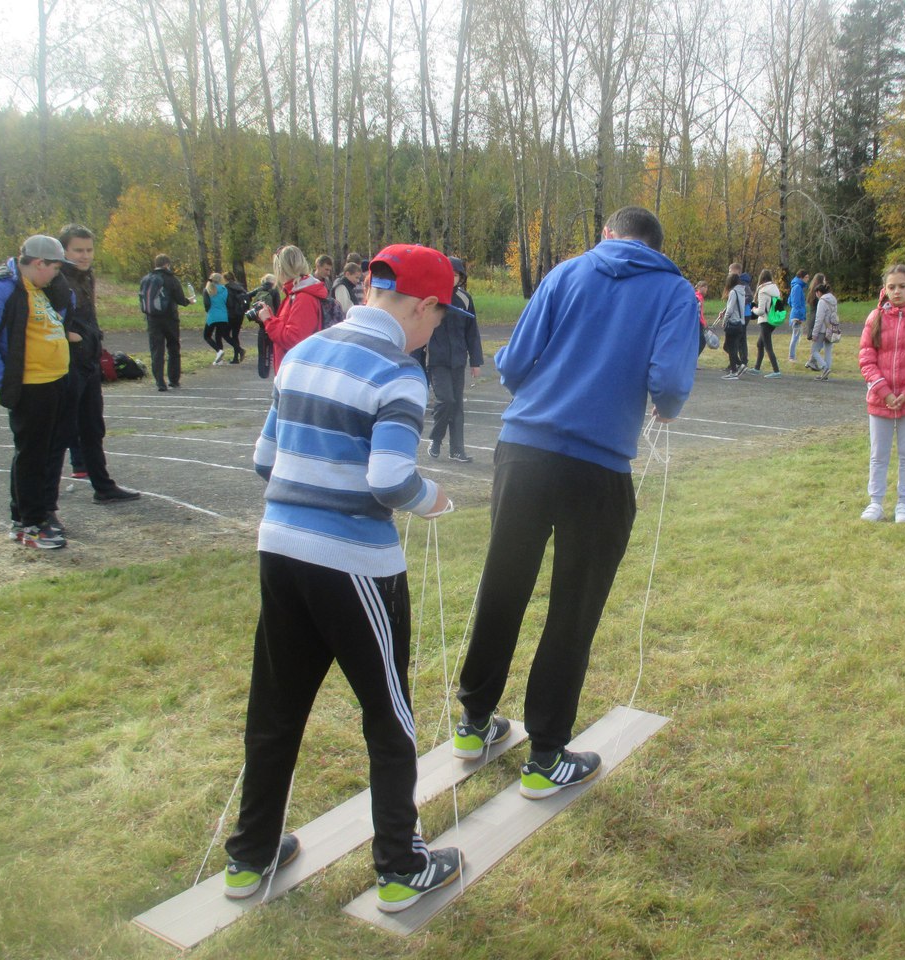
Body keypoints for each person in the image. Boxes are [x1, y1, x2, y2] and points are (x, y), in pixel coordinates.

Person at [223, 243, 462, 913]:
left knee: (275, 708)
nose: (433, 333)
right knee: (389, 716)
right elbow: (389, 480)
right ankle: (401, 866)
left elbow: (265, 460)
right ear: (421, 305)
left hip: (281, 551)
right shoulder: (399, 373)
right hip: (355, 564)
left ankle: (250, 855)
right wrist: (432, 497)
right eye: (438, 320)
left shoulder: (302, 353)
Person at [452, 206, 697, 801]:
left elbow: (513, 362)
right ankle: (544, 755)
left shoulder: (567, 273)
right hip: (599, 467)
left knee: (503, 583)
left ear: (608, 235)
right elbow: (667, 384)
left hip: (524, 451)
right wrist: (664, 402)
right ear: (655, 244)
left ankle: (473, 723)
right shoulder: (674, 292)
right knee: (573, 607)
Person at [0, 235, 73, 549]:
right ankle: (31, 525)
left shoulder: (39, 288)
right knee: (32, 457)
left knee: (39, 453)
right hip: (31, 387)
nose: (56, 274)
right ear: (38, 263)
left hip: (52, 382)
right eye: (54, 267)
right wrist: (6, 381)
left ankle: (27, 519)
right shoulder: (4, 288)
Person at [49, 224, 140, 509]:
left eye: (89, 250)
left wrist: (96, 345)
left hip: (88, 360)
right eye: (78, 250)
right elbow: (43, 320)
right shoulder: (54, 278)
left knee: (93, 426)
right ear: (64, 251)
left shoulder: (86, 276)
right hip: (65, 363)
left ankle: (102, 485)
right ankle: (45, 502)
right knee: (60, 431)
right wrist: (67, 335)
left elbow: (90, 316)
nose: (85, 255)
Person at [857, 265, 905, 523]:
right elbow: (866, 357)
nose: (897, 291)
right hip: (880, 398)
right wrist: (883, 390)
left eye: (902, 286)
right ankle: (876, 502)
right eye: (892, 287)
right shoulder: (875, 318)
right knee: (878, 454)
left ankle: (903, 503)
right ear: (885, 288)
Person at [426, 256, 483, 463]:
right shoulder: (432, 298)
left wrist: (475, 361)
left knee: (457, 405)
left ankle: (457, 449)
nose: (453, 278)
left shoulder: (465, 299)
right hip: (437, 359)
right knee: (446, 400)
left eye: (456, 275)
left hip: (458, 360)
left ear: (461, 277)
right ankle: (435, 439)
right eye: (449, 274)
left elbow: (472, 332)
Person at [262, 246, 326, 370]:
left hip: (295, 374)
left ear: (281, 268)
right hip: (291, 372)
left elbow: (294, 339)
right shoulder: (297, 293)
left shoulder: (303, 297)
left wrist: (269, 321)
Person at [140, 253, 191, 392]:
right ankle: (173, 379)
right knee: (173, 348)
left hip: (152, 319)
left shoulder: (146, 279)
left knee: (157, 350)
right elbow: (180, 299)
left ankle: (159, 382)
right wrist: (188, 301)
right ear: (167, 264)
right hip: (170, 318)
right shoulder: (171, 279)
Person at [751, 269, 783, 377]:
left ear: (762, 279)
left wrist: (753, 310)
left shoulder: (763, 290)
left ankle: (776, 370)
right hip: (773, 320)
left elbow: (761, 311)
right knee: (760, 344)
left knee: (768, 346)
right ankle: (757, 367)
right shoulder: (775, 289)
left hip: (765, 320)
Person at [202, 272, 234, 364]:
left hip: (212, 316)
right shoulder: (225, 289)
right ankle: (219, 360)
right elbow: (229, 303)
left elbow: (207, 304)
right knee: (218, 336)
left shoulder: (207, 290)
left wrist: (208, 311)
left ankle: (218, 351)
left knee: (206, 336)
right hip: (223, 316)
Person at [720, 273, 748, 379]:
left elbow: (730, 309)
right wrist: (724, 311)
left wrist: (724, 320)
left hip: (733, 322)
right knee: (731, 346)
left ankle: (734, 370)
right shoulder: (741, 291)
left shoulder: (733, 292)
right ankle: (739, 366)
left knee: (729, 347)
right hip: (740, 322)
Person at [809, 280, 838, 380]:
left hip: (822, 329)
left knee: (814, 351)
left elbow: (819, 319)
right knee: (828, 351)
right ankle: (825, 373)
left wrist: (814, 333)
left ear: (819, 292)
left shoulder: (822, 301)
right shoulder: (833, 300)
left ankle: (824, 367)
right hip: (832, 329)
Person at [223, 271, 249, 364]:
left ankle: (240, 350)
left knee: (225, 334)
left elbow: (228, 302)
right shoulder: (240, 287)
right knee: (235, 335)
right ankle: (235, 358)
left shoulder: (226, 288)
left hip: (231, 314)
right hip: (240, 314)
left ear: (225, 279)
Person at [787, 269, 809, 361]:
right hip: (796, 316)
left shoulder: (797, 287)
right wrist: (798, 316)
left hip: (797, 315)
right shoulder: (797, 287)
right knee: (795, 336)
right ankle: (791, 356)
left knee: (796, 336)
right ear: (801, 277)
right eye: (806, 277)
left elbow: (789, 301)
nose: (808, 279)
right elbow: (795, 303)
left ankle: (792, 356)